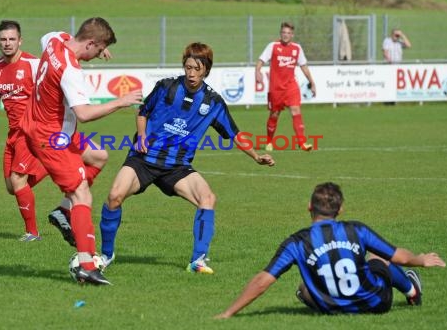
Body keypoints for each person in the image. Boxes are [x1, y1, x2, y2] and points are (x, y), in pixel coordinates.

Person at [96, 42, 275, 275]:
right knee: (114, 197)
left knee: (207, 198)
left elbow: (234, 133)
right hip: (144, 159)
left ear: (206, 70)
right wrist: (141, 136)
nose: (191, 73)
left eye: (197, 69)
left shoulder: (213, 102)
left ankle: (198, 260)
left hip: (177, 167)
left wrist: (255, 155)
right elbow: (143, 112)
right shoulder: (166, 87)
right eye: (188, 67)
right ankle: (106, 255)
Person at [21, 17, 143, 286]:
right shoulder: (70, 70)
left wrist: (100, 43)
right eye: (98, 50)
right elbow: (85, 113)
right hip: (51, 138)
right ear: (90, 43)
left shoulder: (54, 41)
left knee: (98, 156)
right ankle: (86, 263)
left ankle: (63, 212)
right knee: (82, 194)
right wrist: (120, 101)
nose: (99, 55)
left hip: (39, 125)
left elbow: (62, 34)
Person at [215, 182, 446, 318]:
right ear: (341, 209)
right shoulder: (357, 230)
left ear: (309, 207)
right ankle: (411, 291)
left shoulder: (297, 242)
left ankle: (408, 290)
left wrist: (228, 313)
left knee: (304, 288)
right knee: (379, 257)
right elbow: (400, 257)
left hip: (332, 309)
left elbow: (262, 282)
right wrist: (421, 259)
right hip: (376, 304)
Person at [0, 20, 49, 242]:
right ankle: (50, 166)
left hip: (32, 131)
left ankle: (33, 233)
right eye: (3, 39)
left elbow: (59, 79)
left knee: (18, 181)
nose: (7, 43)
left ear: (20, 40)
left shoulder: (33, 64)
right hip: (13, 134)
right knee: (12, 187)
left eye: (12, 39)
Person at [255, 21, 316, 152]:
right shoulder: (273, 46)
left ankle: (302, 142)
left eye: (288, 33)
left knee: (296, 110)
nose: (285, 35)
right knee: (274, 114)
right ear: (280, 33)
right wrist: (257, 71)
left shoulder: (297, 49)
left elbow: (303, 66)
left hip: (291, 87)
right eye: (283, 32)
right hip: (276, 88)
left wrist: (312, 82)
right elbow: (260, 61)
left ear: (292, 35)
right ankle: (269, 141)